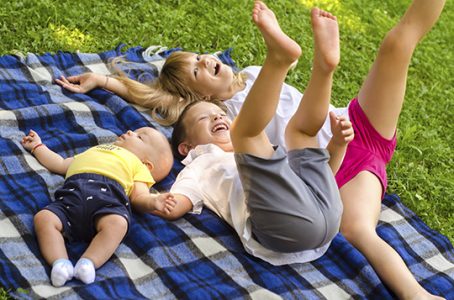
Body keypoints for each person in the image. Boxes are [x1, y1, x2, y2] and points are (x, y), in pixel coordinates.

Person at [56, 0, 447, 298]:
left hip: (354, 126)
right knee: (358, 229)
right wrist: (106, 82)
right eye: (195, 70)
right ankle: (417, 293)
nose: (205, 60)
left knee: (397, 44)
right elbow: (158, 100)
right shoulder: (222, 118)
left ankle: (323, 65)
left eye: (199, 57)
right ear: (194, 95)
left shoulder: (255, 76)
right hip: (335, 171)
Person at [155, 2, 352, 266]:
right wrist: (160, 202)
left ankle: (324, 68)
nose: (217, 116)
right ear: (186, 147)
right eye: (204, 117)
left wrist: (337, 145)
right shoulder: (200, 163)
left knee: (299, 132)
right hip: (292, 229)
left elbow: (323, 172)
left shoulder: (264, 154)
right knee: (246, 134)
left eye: (219, 114)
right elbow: (182, 196)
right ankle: (278, 60)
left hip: (327, 211)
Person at [21, 127, 176, 287]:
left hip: (107, 204)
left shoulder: (137, 166)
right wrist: (38, 147)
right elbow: (59, 163)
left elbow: (139, 197)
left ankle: (88, 263)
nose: (130, 131)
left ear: (147, 164)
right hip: (70, 199)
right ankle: (60, 263)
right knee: (43, 218)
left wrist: (154, 201)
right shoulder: (94, 150)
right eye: (134, 131)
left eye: (140, 137)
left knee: (118, 223)